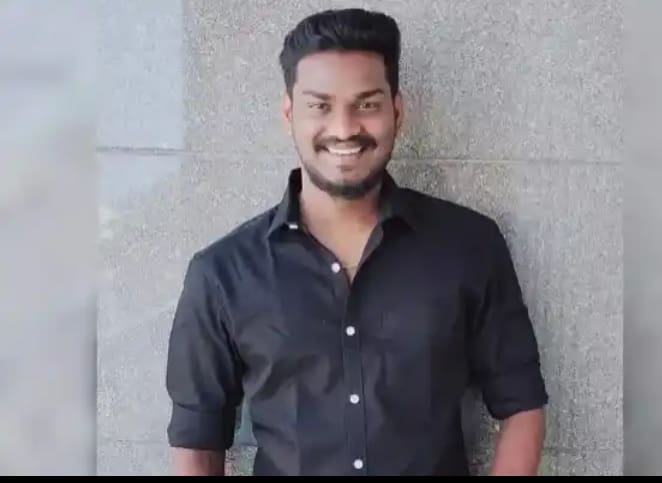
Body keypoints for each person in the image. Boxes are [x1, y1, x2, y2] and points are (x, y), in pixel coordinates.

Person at [165, 8, 548, 476]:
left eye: (366, 104)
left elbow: (522, 405)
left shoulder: (470, 246)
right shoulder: (222, 274)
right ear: (289, 114)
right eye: (320, 106)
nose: (344, 128)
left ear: (397, 112)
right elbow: (197, 443)